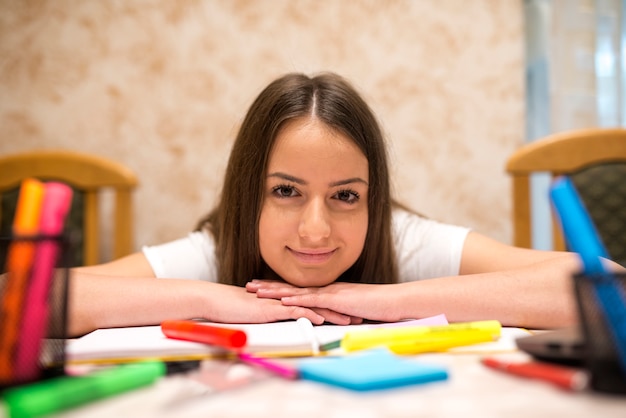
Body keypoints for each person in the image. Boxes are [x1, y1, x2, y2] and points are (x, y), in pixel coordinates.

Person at [70, 72, 584, 337]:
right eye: (286, 191)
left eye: (345, 196)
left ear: (372, 199)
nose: (316, 230)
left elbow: (611, 287)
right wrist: (212, 301)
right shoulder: (217, 250)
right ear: (250, 192)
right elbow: (18, 300)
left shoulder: (401, 239)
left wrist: (374, 301)